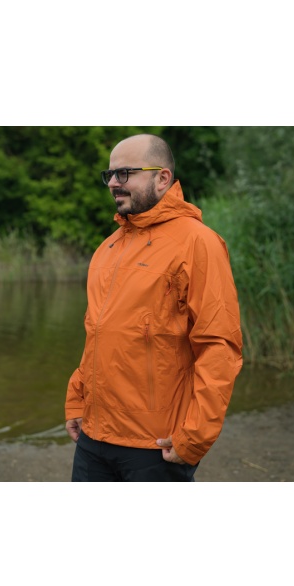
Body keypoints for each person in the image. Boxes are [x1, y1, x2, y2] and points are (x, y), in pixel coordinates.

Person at [64, 133, 243, 481]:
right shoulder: (107, 249)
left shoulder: (198, 243)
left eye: (125, 173)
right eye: (110, 174)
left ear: (162, 178)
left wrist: (194, 437)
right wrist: (77, 400)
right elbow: (97, 335)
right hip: (94, 438)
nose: (113, 183)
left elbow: (219, 347)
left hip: (155, 445)